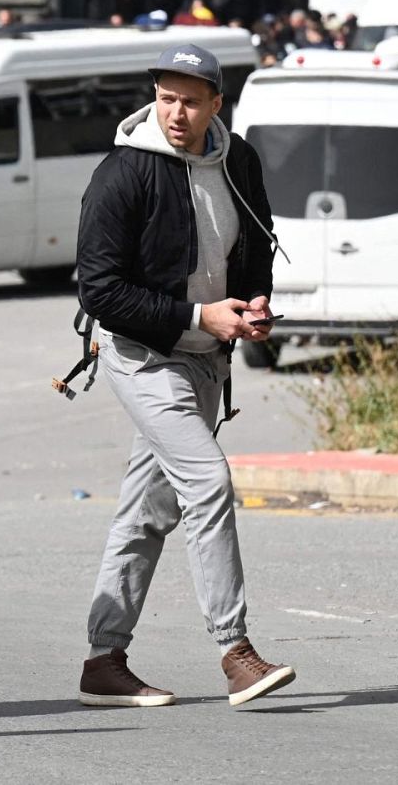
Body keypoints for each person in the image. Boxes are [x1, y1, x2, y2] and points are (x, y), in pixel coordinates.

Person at [75, 43, 295, 709]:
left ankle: (103, 661)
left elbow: (256, 243)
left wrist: (253, 305)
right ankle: (235, 653)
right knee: (207, 480)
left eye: (190, 100)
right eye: (166, 97)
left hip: (207, 357)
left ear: (216, 105)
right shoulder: (124, 173)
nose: (176, 112)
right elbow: (100, 291)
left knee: (149, 510)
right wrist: (201, 313)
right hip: (142, 356)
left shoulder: (239, 160)